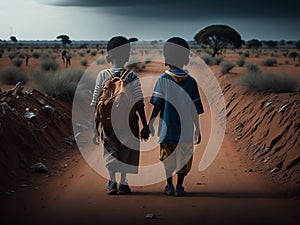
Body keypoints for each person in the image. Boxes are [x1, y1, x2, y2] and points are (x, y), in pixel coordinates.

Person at [91, 36, 150, 195]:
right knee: (127, 150)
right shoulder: (131, 76)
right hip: (128, 123)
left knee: (110, 150)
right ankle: (123, 182)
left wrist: (95, 127)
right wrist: (145, 125)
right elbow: (139, 103)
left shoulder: (102, 75)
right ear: (127, 56)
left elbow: (96, 103)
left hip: (108, 123)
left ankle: (112, 182)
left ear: (109, 56)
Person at [148, 37, 204, 196]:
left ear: (167, 60)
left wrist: (151, 123)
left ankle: (169, 185)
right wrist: (197, 129)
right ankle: (179, 186)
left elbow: (157, 104)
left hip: (167, 129)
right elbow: (195, 109)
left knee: (167, 158)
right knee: (184, 158)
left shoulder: (163, 79)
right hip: (185, 130)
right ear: (185, 60)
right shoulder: (191, 82)